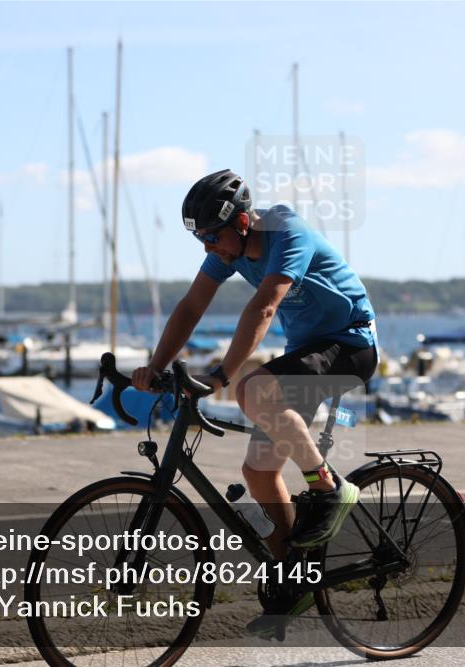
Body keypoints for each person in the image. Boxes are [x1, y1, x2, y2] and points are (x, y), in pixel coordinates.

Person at [131, 168, 378, 637]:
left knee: (252, 388)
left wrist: (223, 375)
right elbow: (190, 307)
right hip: (308, 352)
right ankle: (296, 583)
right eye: (202, 241)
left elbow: (264, 308)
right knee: (259, 472)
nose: (209, 249)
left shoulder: (288, 233)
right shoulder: (230, 249)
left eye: (213, 238)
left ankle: (328, 487)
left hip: (349, 345)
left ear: (242, 222)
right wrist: (158, 367)